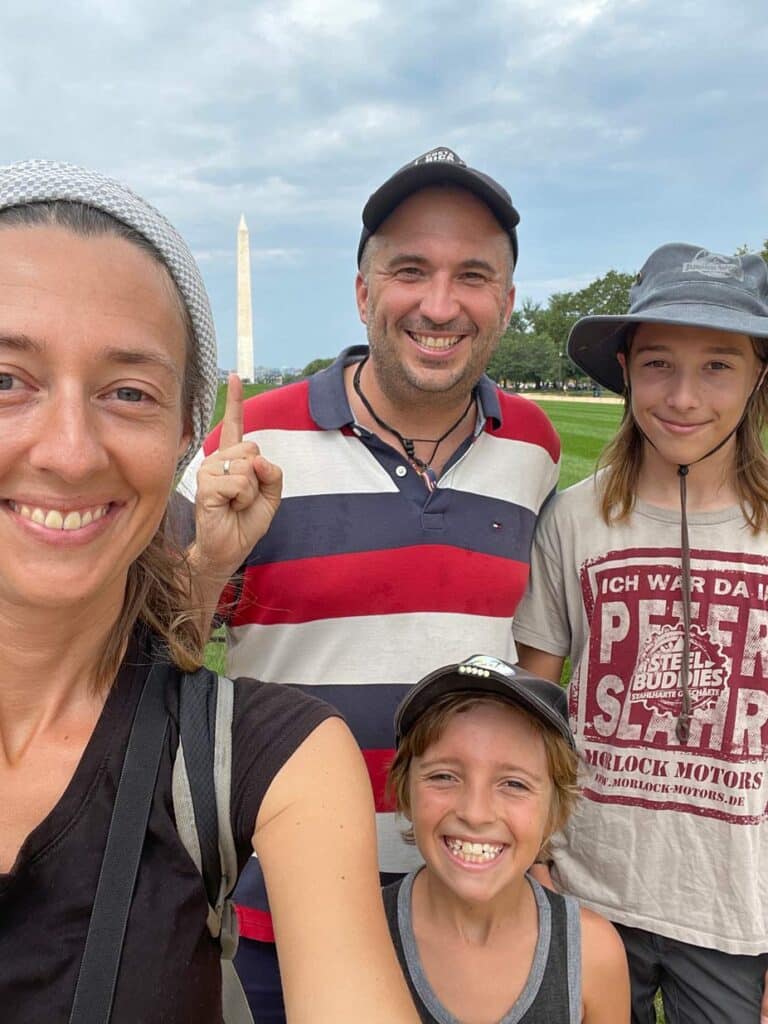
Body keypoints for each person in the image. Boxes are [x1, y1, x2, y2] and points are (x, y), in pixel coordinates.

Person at [0, 159, 420, 1024]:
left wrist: (212, 565)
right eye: (6, 380)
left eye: (129, 392)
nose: (69, 451)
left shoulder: (276, 759)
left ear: (183, 438)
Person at [178, 146, 561, 1018]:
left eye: (472, 275)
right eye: (409, 270)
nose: (439, 303)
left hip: (471, 889)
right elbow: (149, 651)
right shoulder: (255, 443)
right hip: (282, 899)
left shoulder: (533, 447)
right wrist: (206, 561)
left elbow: (531, 657)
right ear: (362, 292)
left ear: (505, 301)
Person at [513, 243, 768, 1023]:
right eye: (658, 363)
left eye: (719, 366)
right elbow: (535, 701)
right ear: (624, 367)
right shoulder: (577, 519)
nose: (684, 397)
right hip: (590, 889)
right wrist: (537, 858)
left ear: (761, 375)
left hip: (736, 914)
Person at [383, 654, 630, 1023]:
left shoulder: (591, 954)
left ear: (555, 809)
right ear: (406, 791)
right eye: (444, 777)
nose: (476, 812)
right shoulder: (361, 936)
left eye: (514, 784)